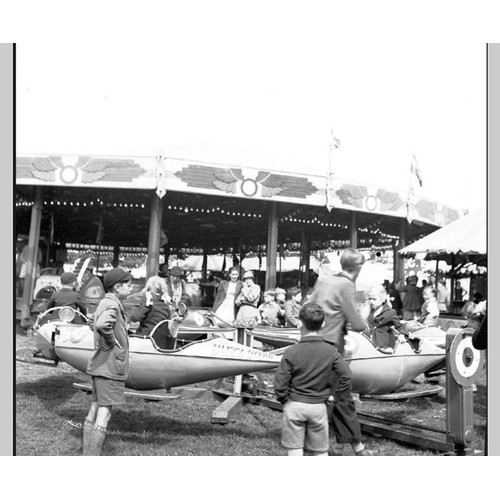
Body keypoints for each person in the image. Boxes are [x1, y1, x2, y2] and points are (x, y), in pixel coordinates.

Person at [304, 248, 375, 456]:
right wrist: (365, 317)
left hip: (312, 341)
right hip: (331, 346)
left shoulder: (324, 280)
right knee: (342, 394)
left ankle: (312, 441)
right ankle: (358, 449)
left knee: (320, 393)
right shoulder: (346, 285)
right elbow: (357, 324)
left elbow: (307, 307)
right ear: (358, 267)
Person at [274, 302, 353, 456]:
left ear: (300, 324)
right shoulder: (331, 351)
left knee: (295, 450)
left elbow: (280, 382)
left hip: (294, 405)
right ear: (323, 324)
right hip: (318, 407)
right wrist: (335, 396)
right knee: (320, 451)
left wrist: (284, 399)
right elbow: (346, 375)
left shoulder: (291, 351)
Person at [83, 267, 133, 456]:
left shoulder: (104, 302)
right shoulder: (113, 305)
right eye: (128, 285)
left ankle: (87, 456)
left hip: (99, 365)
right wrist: (114, 342)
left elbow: (94, 323)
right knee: (104, 414)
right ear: (118, 287)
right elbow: (102, 324)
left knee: (93, 410)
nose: (131, 288)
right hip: (110, 366)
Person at [363, 284, 403, 353]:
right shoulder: (367, 311)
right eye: (369, 299)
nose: (371, 302)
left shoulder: (390, 313)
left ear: (382, 299)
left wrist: (402, 335)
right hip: (369, 344)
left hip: (384, 346)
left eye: (374, 299)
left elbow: (399, 326)